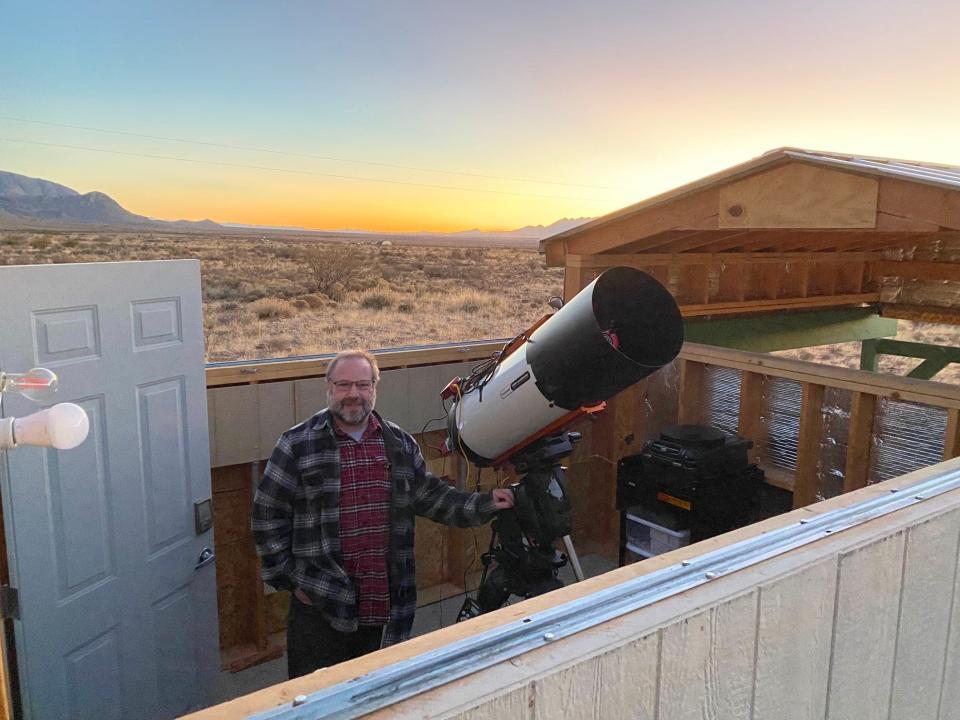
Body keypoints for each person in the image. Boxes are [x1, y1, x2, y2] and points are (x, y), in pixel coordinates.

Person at [252, 349, 514, 678]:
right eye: (343, 384)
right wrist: (291, 580)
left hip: (382, 605)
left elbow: (432, 497)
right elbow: (266, 519)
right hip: (321, 603)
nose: (353, 395)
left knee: (375, 692)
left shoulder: (399, 445)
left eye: (363, 385)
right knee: (316, 701)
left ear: (375, 388)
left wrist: (487, 503)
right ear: (328, 387)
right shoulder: (296, 445)